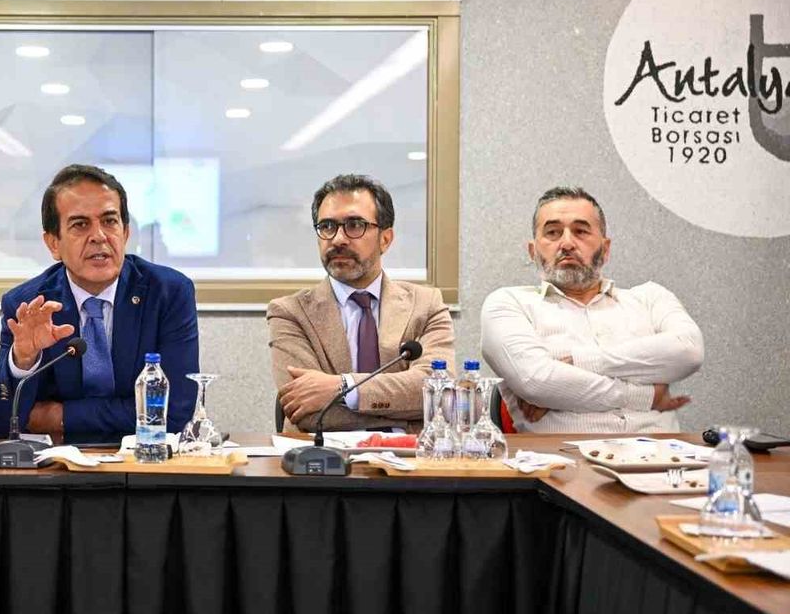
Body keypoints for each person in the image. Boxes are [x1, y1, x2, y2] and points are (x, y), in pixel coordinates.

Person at [0, 164, 199, 444]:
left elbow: (174, 413)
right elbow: (1, 422)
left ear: (125, 233)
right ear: (53, 244)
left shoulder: (168, 293)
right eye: (80, 225)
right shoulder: (29, 306)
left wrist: (59, 416)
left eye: (109, 221)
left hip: (146, 461)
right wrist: (24, 360)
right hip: (57, 466)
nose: (99, 236)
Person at [480, 186, 704, 432]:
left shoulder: (651, 298)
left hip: (661, 453)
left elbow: (689, 352)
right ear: (533, 251)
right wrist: (648, 396)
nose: (567, 243)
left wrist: (578, 363)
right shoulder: (508, 304)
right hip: (561, 454)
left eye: (581, 231)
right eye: (553, 232)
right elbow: (536, 381)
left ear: (605, 249)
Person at [268, 174, 454, 432]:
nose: (338, 239)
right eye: (327, 226)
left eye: (354, 225)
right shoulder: (290, 313)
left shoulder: (425, 305)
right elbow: (307, 412)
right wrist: (407, 413)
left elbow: (440, 395)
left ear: (385, 239)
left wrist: (342, 387)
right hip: (323, 455)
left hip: (409, 456)